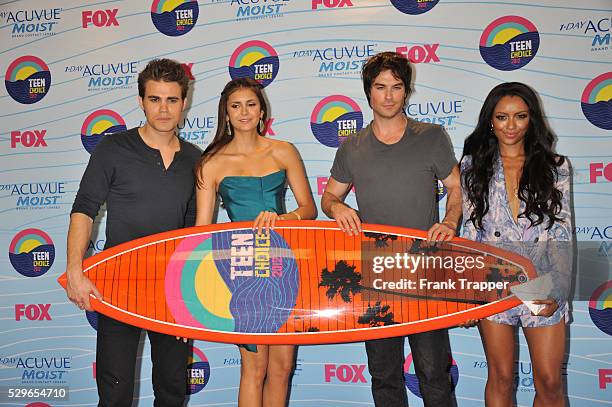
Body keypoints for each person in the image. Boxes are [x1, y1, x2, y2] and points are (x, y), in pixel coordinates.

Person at [321, 51, 461, 406]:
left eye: (396, 87)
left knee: (433, 373)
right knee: (384, 376)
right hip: (376, 272)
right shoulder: (351, 147)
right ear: (368, 92)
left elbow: (456, 188)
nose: (388, 95)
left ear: (406, 91)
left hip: (425, 270)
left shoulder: (431, 137)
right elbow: (328, 198)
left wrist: (449, 221)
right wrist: (338, 207)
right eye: (380, 87)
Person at [63, 59, 200, 406]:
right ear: (141, 102)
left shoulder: (196, 160)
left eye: (171, 99)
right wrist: (76, 271)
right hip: (118, 287)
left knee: (172, 390)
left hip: (172, 290)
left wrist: (193, 295)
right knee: (115, 391)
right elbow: (84, 209)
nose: (164, 108)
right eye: (154, 99)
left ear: (184, 103)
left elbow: (194, 232)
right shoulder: (112, 149)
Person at [194, 77, 316, 407]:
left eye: (250, 104)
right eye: (236, 106)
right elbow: (201, 229)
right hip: (242, 267)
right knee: (254, 365)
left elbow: (309, 209)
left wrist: (283, 219)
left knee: (282, 367)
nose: (244, 112)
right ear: (226, 114)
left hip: (284, 261)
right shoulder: (212, 163)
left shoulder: (284, 151)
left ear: (262, 109)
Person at [460, 82, 571, 407]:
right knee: (501, 377)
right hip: (492, 283)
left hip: (538, 283)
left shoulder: (555, 167)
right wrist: (467, 296)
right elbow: (470, 234)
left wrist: (557, 290)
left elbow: (562, 233)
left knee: (550, 382)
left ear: (531, 119)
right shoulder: (472, 167)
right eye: (502, 117)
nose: (511, 126)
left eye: (520, 116)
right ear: (490, 122)